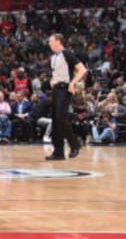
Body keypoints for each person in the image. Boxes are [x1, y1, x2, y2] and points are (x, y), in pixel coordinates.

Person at [46, 33, 85, 161]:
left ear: (58, 41)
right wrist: (53, 80)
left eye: (51, 41)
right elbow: (57, 73)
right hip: (56, 90)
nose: (49, 43)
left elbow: (82, 70)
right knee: (55, 121)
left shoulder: (66, 54)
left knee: (61, 118)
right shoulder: (53, 57)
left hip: (65, 89)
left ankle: (75, 145)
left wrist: (73, 83)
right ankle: (58, 152)